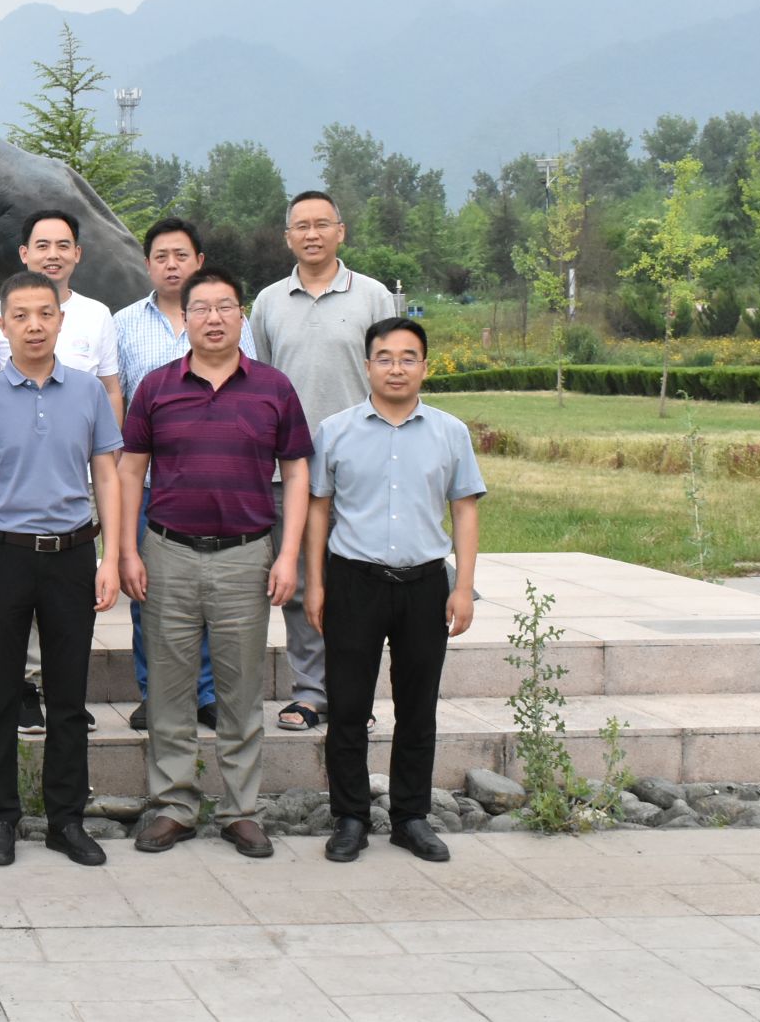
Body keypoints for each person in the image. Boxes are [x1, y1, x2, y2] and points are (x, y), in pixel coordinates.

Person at [120, 266, 311, 860]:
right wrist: (126, 550)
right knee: (170, 687)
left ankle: (240, 810)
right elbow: (130, 469)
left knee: (240, 688)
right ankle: (173, 805)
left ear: (240, 316)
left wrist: (287, 555)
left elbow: (297, 473)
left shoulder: (273, 388)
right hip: (168, 553)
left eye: (225, 306)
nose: (213, 318)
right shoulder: (156, 387)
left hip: (245, 558)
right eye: (200, 308)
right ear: (186, 319)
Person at [0, 271, 123, 868]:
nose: (34, 325)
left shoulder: (87, 392)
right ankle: (0, 818)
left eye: (44, 314)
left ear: (60, 321)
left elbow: (106, 475)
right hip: (2, 556)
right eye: (21, 316)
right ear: (2, 325)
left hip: (72, 555)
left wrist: (110, 557)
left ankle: (65, 819)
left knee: (69, 695)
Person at [306, 317, 484, 865]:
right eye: (385, 358)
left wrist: (464, 587)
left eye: (409, 358)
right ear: (367, 366)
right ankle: (350, 818)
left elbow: (465, 509)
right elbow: (318, 510)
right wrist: (315, 584)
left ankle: (411, 817)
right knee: (348, 706)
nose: (396, 368)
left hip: (424, 584)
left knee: (418, 708)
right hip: (353, 582)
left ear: (425, 367)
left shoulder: (450, 432)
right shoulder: (335, 431)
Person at [250, 190, 397, 734]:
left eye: (322, 224)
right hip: (288, 470)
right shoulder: (268, 302)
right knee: (299, 584)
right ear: (287, 236)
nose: (311, 234)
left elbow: (394, 377)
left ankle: (354, 695)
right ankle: (310, 693)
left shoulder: (374, 297)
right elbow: (260, 383)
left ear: (341, 231)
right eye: (301, 226)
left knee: (359, 585)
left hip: (361, 469)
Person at [0, 208, 123, 735]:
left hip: (75, 513)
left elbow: (110, 398)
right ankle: (24, 699)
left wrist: (112, 553)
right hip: (7, 525)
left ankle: (66, 800)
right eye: (42, 245)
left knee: (69, 681)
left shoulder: (94, 327)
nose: (33, 325)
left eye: (63, 245)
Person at [114, 217, 258, 734]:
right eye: (161, 257)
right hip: (149, 487)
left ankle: (207, 693)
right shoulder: (123, 324)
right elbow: (117, 399)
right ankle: (154, 693)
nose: (171, 265)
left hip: (216, 485)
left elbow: (249, 392)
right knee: (147, 595)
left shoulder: (231, 320)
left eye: (181, 255)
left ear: (199, 261)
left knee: (211, 597)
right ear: (147, 265)